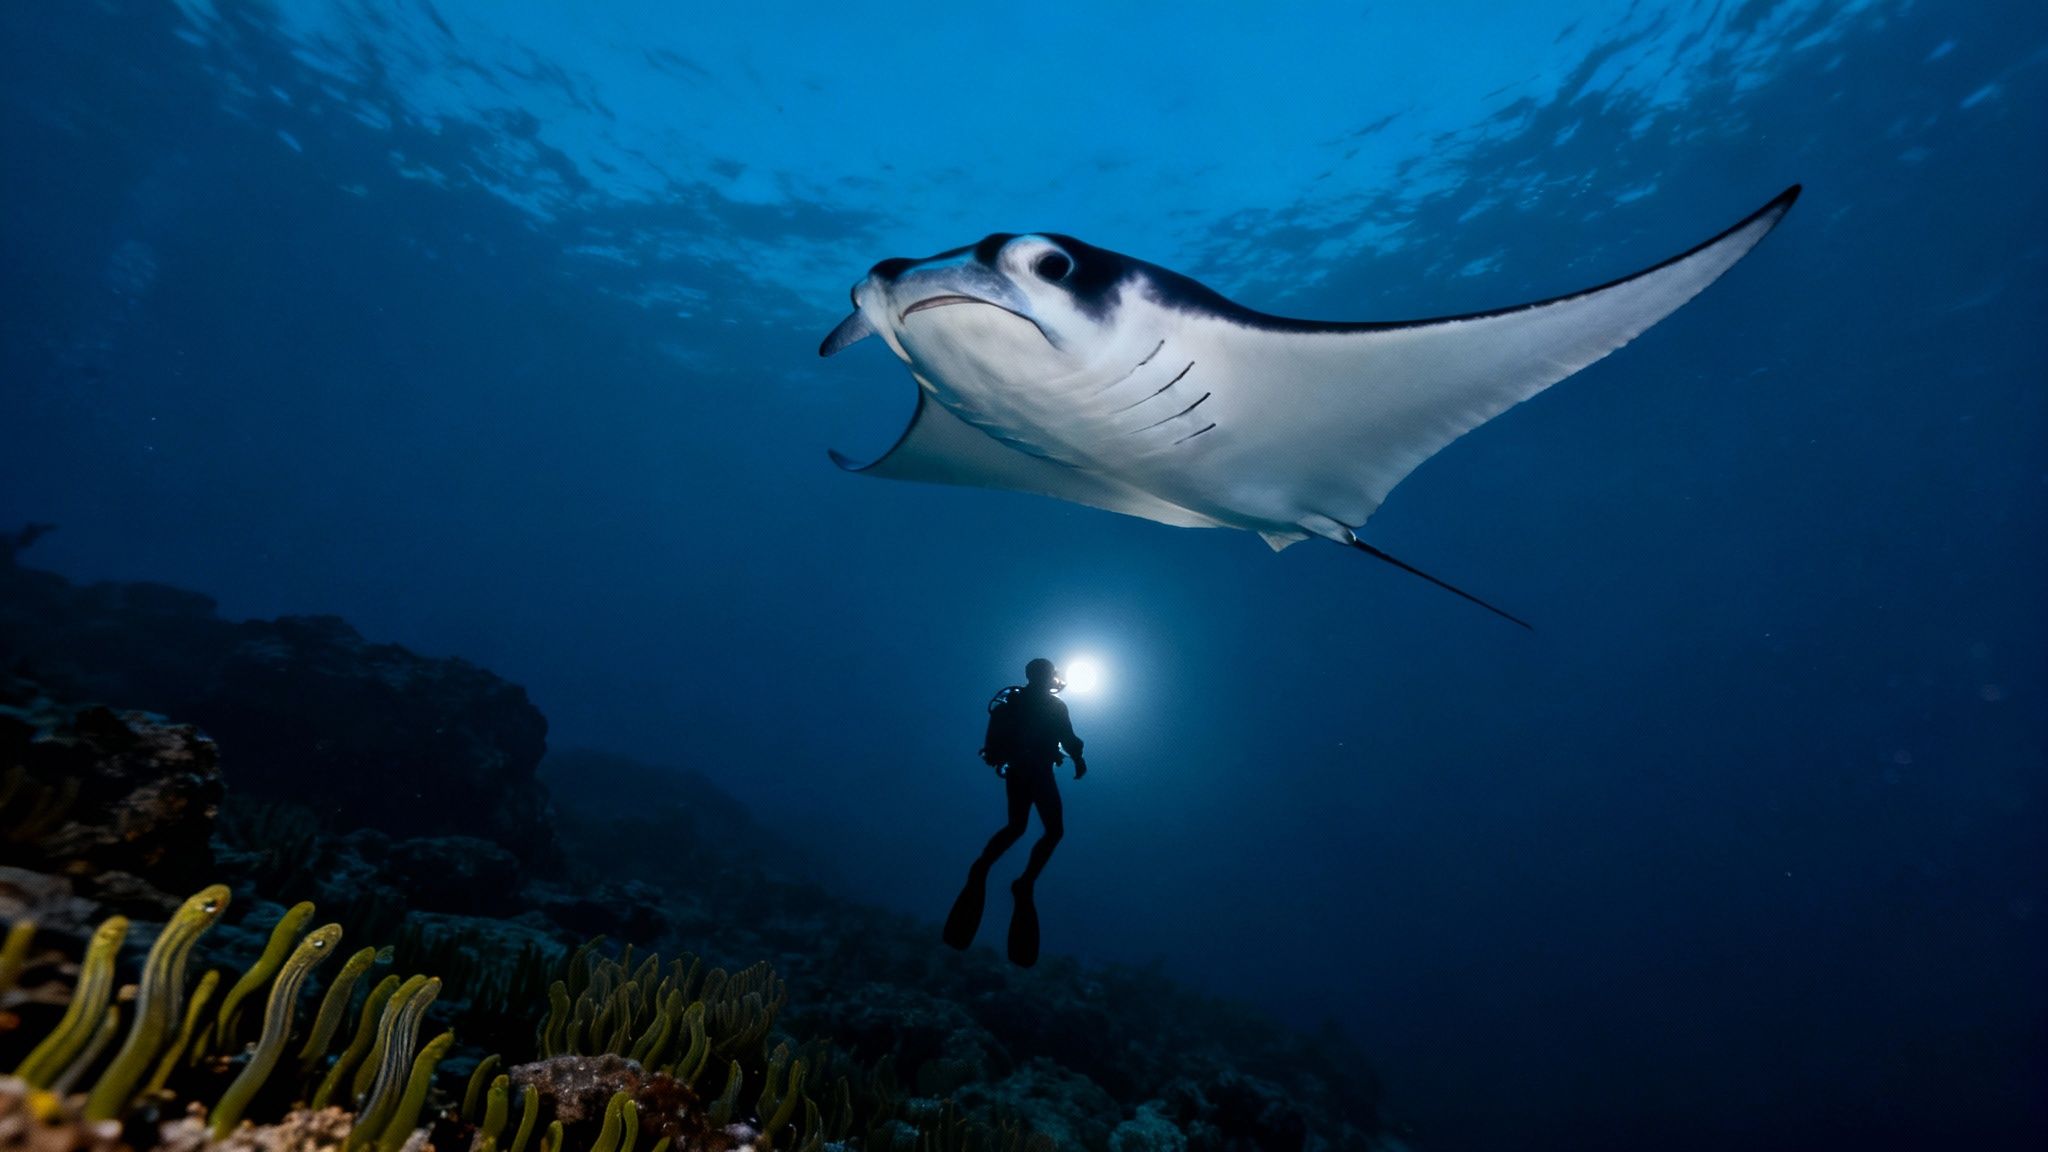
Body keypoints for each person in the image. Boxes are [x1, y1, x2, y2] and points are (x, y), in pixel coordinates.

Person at [944, 658, 1088, 966]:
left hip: (1017, 772)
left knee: (1017, 826)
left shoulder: (1012, 705)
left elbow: (997, 747)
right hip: (1038, 772)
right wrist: (1078, 760)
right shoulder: (1053, 707)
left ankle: (983, 866)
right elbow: (1069, 738)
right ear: (1048, 676)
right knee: (1053, 830)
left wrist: (1073, 756)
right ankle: (1023, 882)